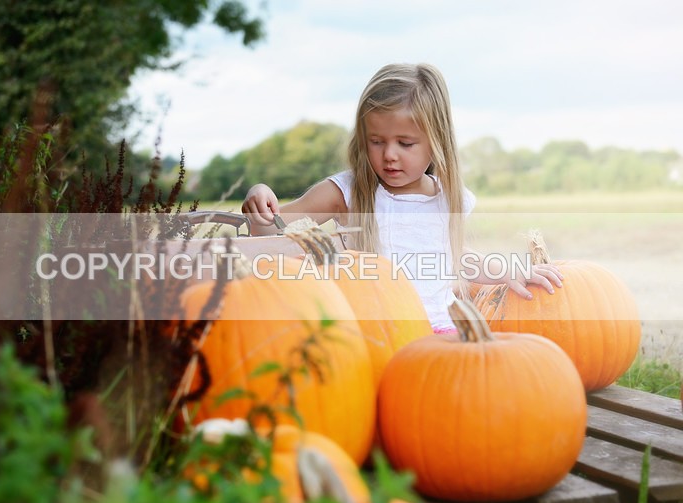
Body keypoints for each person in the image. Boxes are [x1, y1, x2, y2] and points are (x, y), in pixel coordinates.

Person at [241, 63, 562, 332]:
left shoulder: (449, 199)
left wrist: (507, 270)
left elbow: (455, 257)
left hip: (439, 329)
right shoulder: (347, 192)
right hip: (370, 334)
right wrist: (261, 205)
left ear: (436, 141)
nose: (389, 155)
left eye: (405, 144)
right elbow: (273, 234)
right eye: (377, 141)